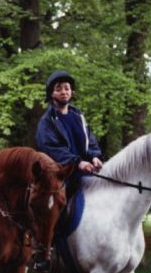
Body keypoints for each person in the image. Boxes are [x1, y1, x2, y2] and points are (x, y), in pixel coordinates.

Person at [35, 70, 103, 198]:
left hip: (87, 173)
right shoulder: (47, 121)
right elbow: (53, 149)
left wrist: (95, 156)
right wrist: (77, 162)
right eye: (58, 89)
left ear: (72, 92)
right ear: (51, 93)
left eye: (67, 88)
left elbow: (90, 140)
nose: (64, 92)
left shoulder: (78, 116)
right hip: (61, 176)